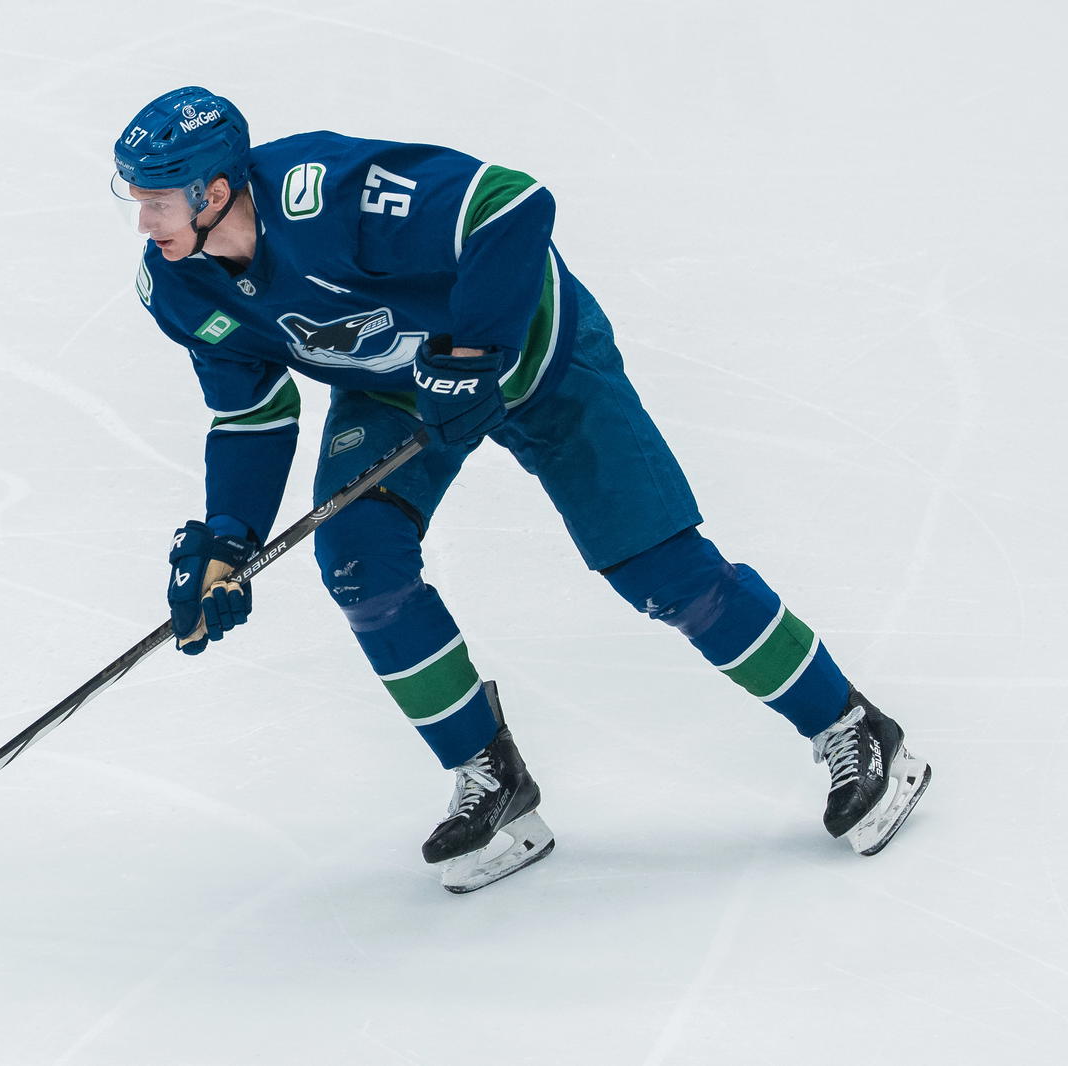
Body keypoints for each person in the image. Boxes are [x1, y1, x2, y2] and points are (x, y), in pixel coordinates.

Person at [111, 86, 932, 893]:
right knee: (361, 563)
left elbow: (509, 204)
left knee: (662, 572)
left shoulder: (325, 195)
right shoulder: (180, 287)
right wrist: (228, 536)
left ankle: (854, 725)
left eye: (155, 204)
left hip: (534, 350)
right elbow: (251, 416)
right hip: (397, 385)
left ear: (213, 193)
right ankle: (490, 777)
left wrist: (474, 355)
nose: (144, 226)